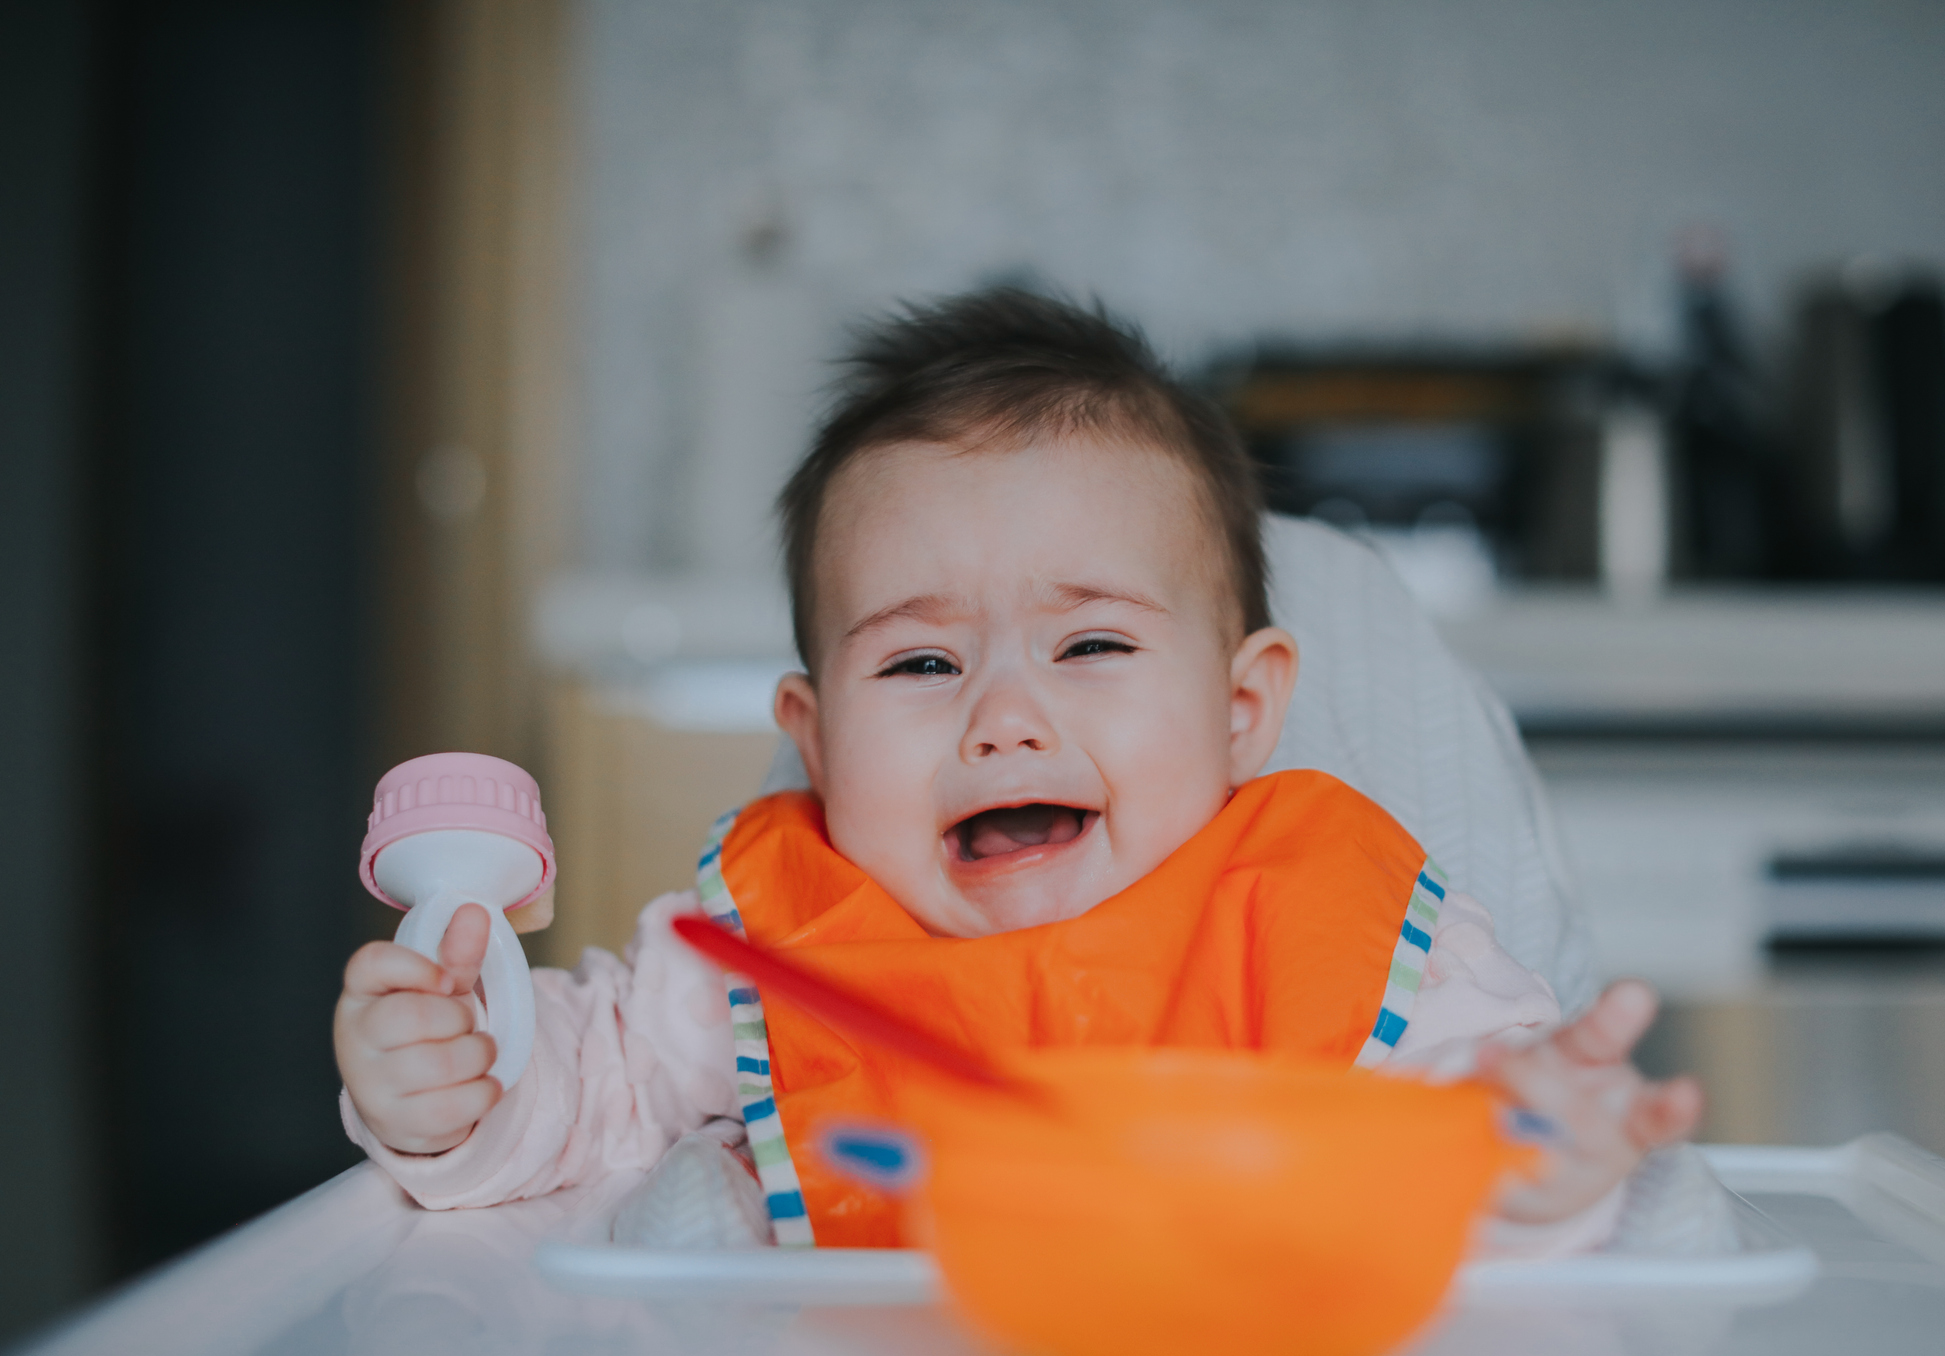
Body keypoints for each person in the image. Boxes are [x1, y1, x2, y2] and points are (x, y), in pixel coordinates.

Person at [333, 290, 1701, 1254]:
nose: (1001, 718)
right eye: (920, 665)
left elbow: (1478, 1149)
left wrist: (1547, 1151)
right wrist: (467, 1086)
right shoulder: (776, 949)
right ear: (813, 739)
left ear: (1241, 708)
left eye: (1091, 642)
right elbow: (592, 1094)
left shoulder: (1348, 934)